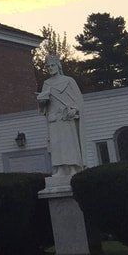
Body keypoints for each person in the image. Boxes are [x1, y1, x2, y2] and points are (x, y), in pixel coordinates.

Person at [37, 55, 85, 187]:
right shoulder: (46, 84)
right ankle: (60, 169)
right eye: (48, 67)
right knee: (57, 145)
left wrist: (74, 110)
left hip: (66, 118)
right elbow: (43, 108)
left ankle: (73, 167)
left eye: (52, 65)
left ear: (58, 65)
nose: (50, 68)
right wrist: (42, 101)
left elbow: (79, 101)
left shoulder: (69, 81)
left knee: (69, 143)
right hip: (54, 120)